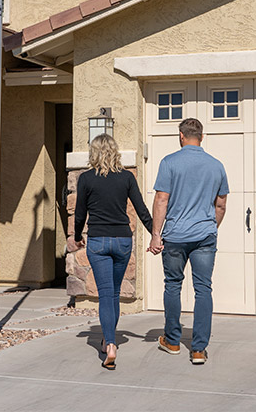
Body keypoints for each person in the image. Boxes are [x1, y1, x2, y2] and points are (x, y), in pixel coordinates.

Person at [148, 118, 228, 365]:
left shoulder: (169, 162)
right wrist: (209, 227)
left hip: (174, 236)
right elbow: (221, 204)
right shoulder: (216, 165)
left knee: (173, 284)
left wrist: (156, 234)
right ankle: (198, 349)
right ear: (201, 137)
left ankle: (172, 341)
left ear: (181, 136)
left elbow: (162, 199)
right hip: (204, 235)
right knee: (203, 288)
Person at [73, 134, 154, 370]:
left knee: (106, 294)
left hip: (98, 240)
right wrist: (155, 233)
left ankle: (110, 344)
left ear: (93, 153)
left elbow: (80, 213)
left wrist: (77, 237)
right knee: (114, 293)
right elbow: (141, 210)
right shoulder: (127, 177)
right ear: (115, 151)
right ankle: (110, 338)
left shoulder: (86, 179)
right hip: (122, 241)